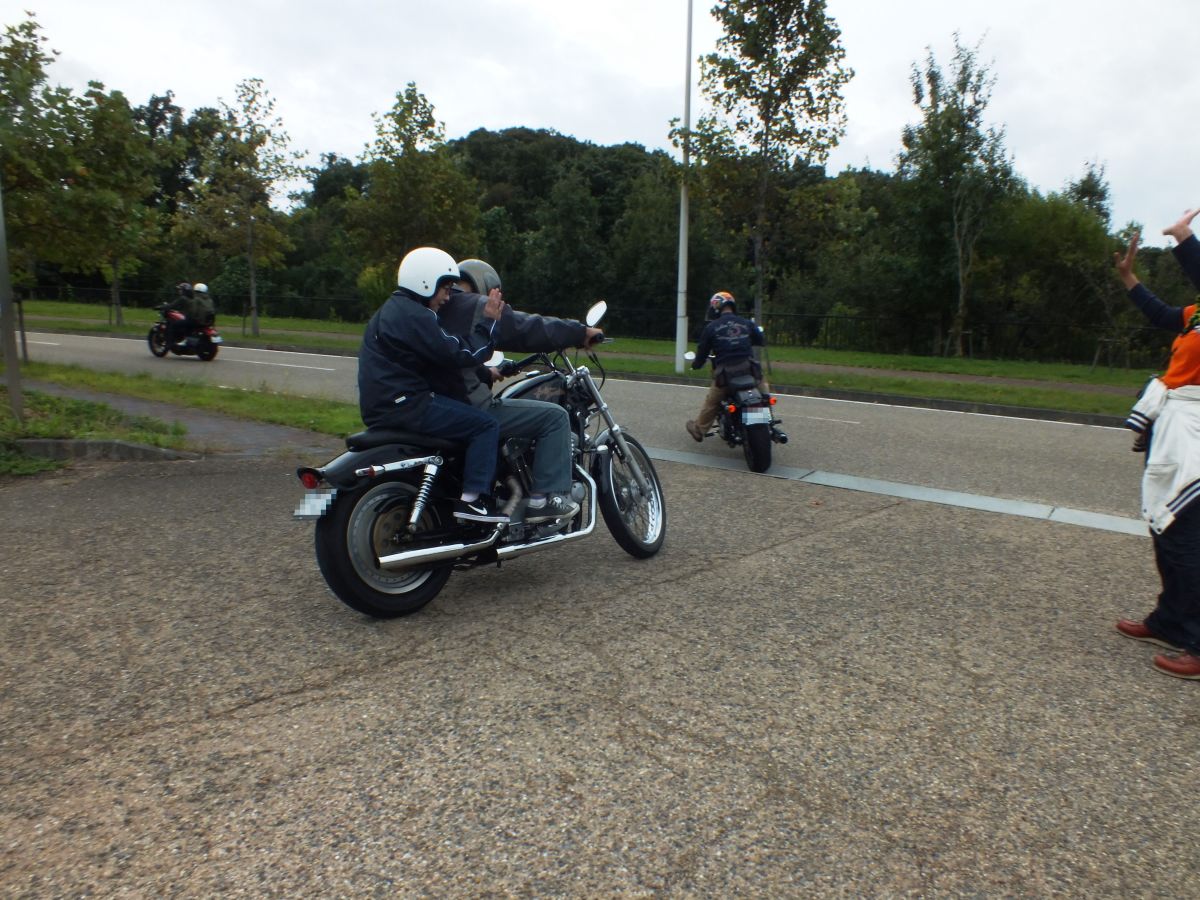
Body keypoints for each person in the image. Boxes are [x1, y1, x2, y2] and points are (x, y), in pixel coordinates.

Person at [434, 258, 602, 522]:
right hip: (468, 407)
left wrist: (486, 373)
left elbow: (450, 360)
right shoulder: (475, 305)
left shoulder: (433, 309)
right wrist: (579, 333)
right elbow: (526, 328)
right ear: (489, 287)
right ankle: (544, 500)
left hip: (436, 404)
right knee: (554, 418)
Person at [357, 246, 508, 523]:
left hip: (384, 405)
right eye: (445, 289)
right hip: (408, 405)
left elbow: (435, 359)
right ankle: (473, 501)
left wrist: (485, 374)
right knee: (485, 425)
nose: (448, 297)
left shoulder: (391, 311)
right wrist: (489, 322)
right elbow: (460, 354)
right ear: (425, 282)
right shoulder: (416, 316)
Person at [1112, 208, 1200, 679]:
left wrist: (1184, 238)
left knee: (1187, 537)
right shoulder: (1197, 313)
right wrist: (1129, 278)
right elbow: (1162, 314)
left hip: (1196, 433)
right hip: (1174, 427)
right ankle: (1171, 620)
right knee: (1165, 526)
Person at [685, 291, 771, 442]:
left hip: (726, 374)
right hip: (750, 371)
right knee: (764, 395)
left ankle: (699, 429)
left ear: (715, 307)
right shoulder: (746, 323)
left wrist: (696, 365)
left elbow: (702, 351)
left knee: (712, 401)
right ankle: (767, 422)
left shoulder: (711, 327)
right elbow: (760, 339)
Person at [166, 282, 200, 346]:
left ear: (184, 291)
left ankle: (170, 343)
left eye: (181, 289)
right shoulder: (194, 299)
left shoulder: (183, 298)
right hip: (197, 320)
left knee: (173, 325)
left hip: (190, 320)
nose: (179, 291)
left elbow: (172, 305)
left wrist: (165, 307)